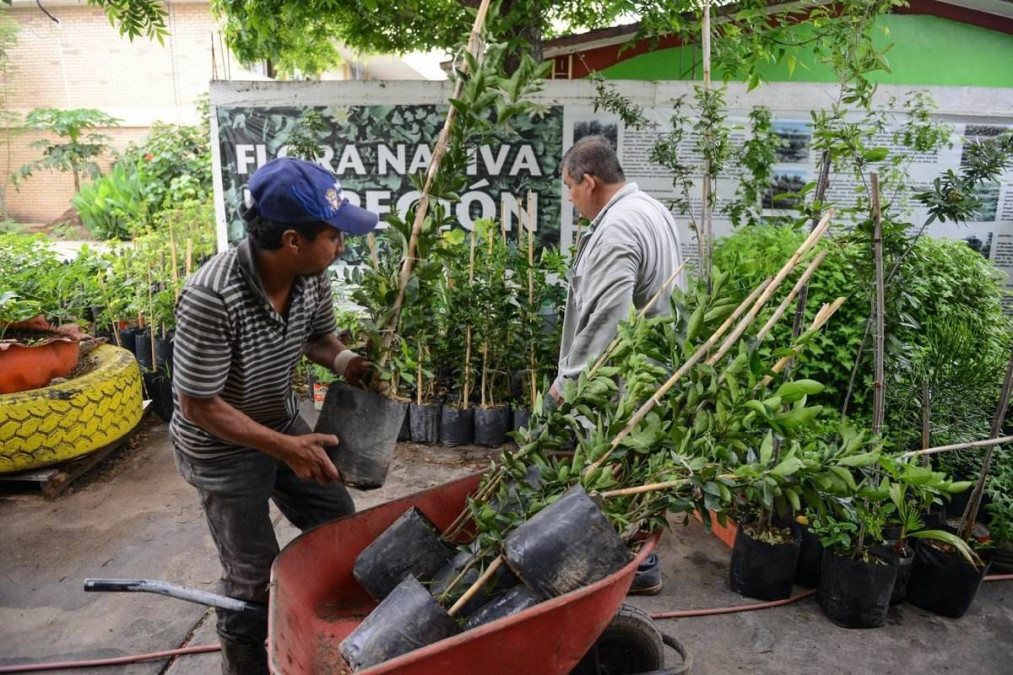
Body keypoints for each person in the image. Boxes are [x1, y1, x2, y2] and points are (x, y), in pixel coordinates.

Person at [169, 157, 381, 674]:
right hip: (220, 449)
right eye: (334, 236)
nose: (341, 246)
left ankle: (314, 627)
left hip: (278, 421)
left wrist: (348, 362)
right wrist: (285, 448)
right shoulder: (211, 295)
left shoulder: (310, 276)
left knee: (335, 518)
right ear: (292, 240)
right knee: (250, 578)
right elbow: (198, 404)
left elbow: (317, 338)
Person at [550, 135, 684, 595]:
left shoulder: (618, 228)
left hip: (625, 381)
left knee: (610, 472)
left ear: (589, 181)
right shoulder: (651, 209)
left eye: (570, 188)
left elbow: (607, 318)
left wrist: (568, 385)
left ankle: (625, 570)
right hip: (653, 371)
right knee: (635, 474)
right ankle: (640, 565)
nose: (570, 199)